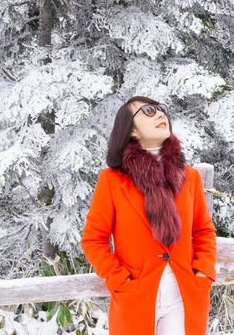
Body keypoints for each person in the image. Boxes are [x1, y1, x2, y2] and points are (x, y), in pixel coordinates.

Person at [81, 96, 217, 335]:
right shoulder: (112, 181)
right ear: (131, 130)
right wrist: (119, 280)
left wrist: (203, 272)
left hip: (184, 294)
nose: (160, 114)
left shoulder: (190, 177)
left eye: (162, 109)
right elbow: (94, 240)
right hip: (136, 294)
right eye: (149, 110)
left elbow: (203, 231)